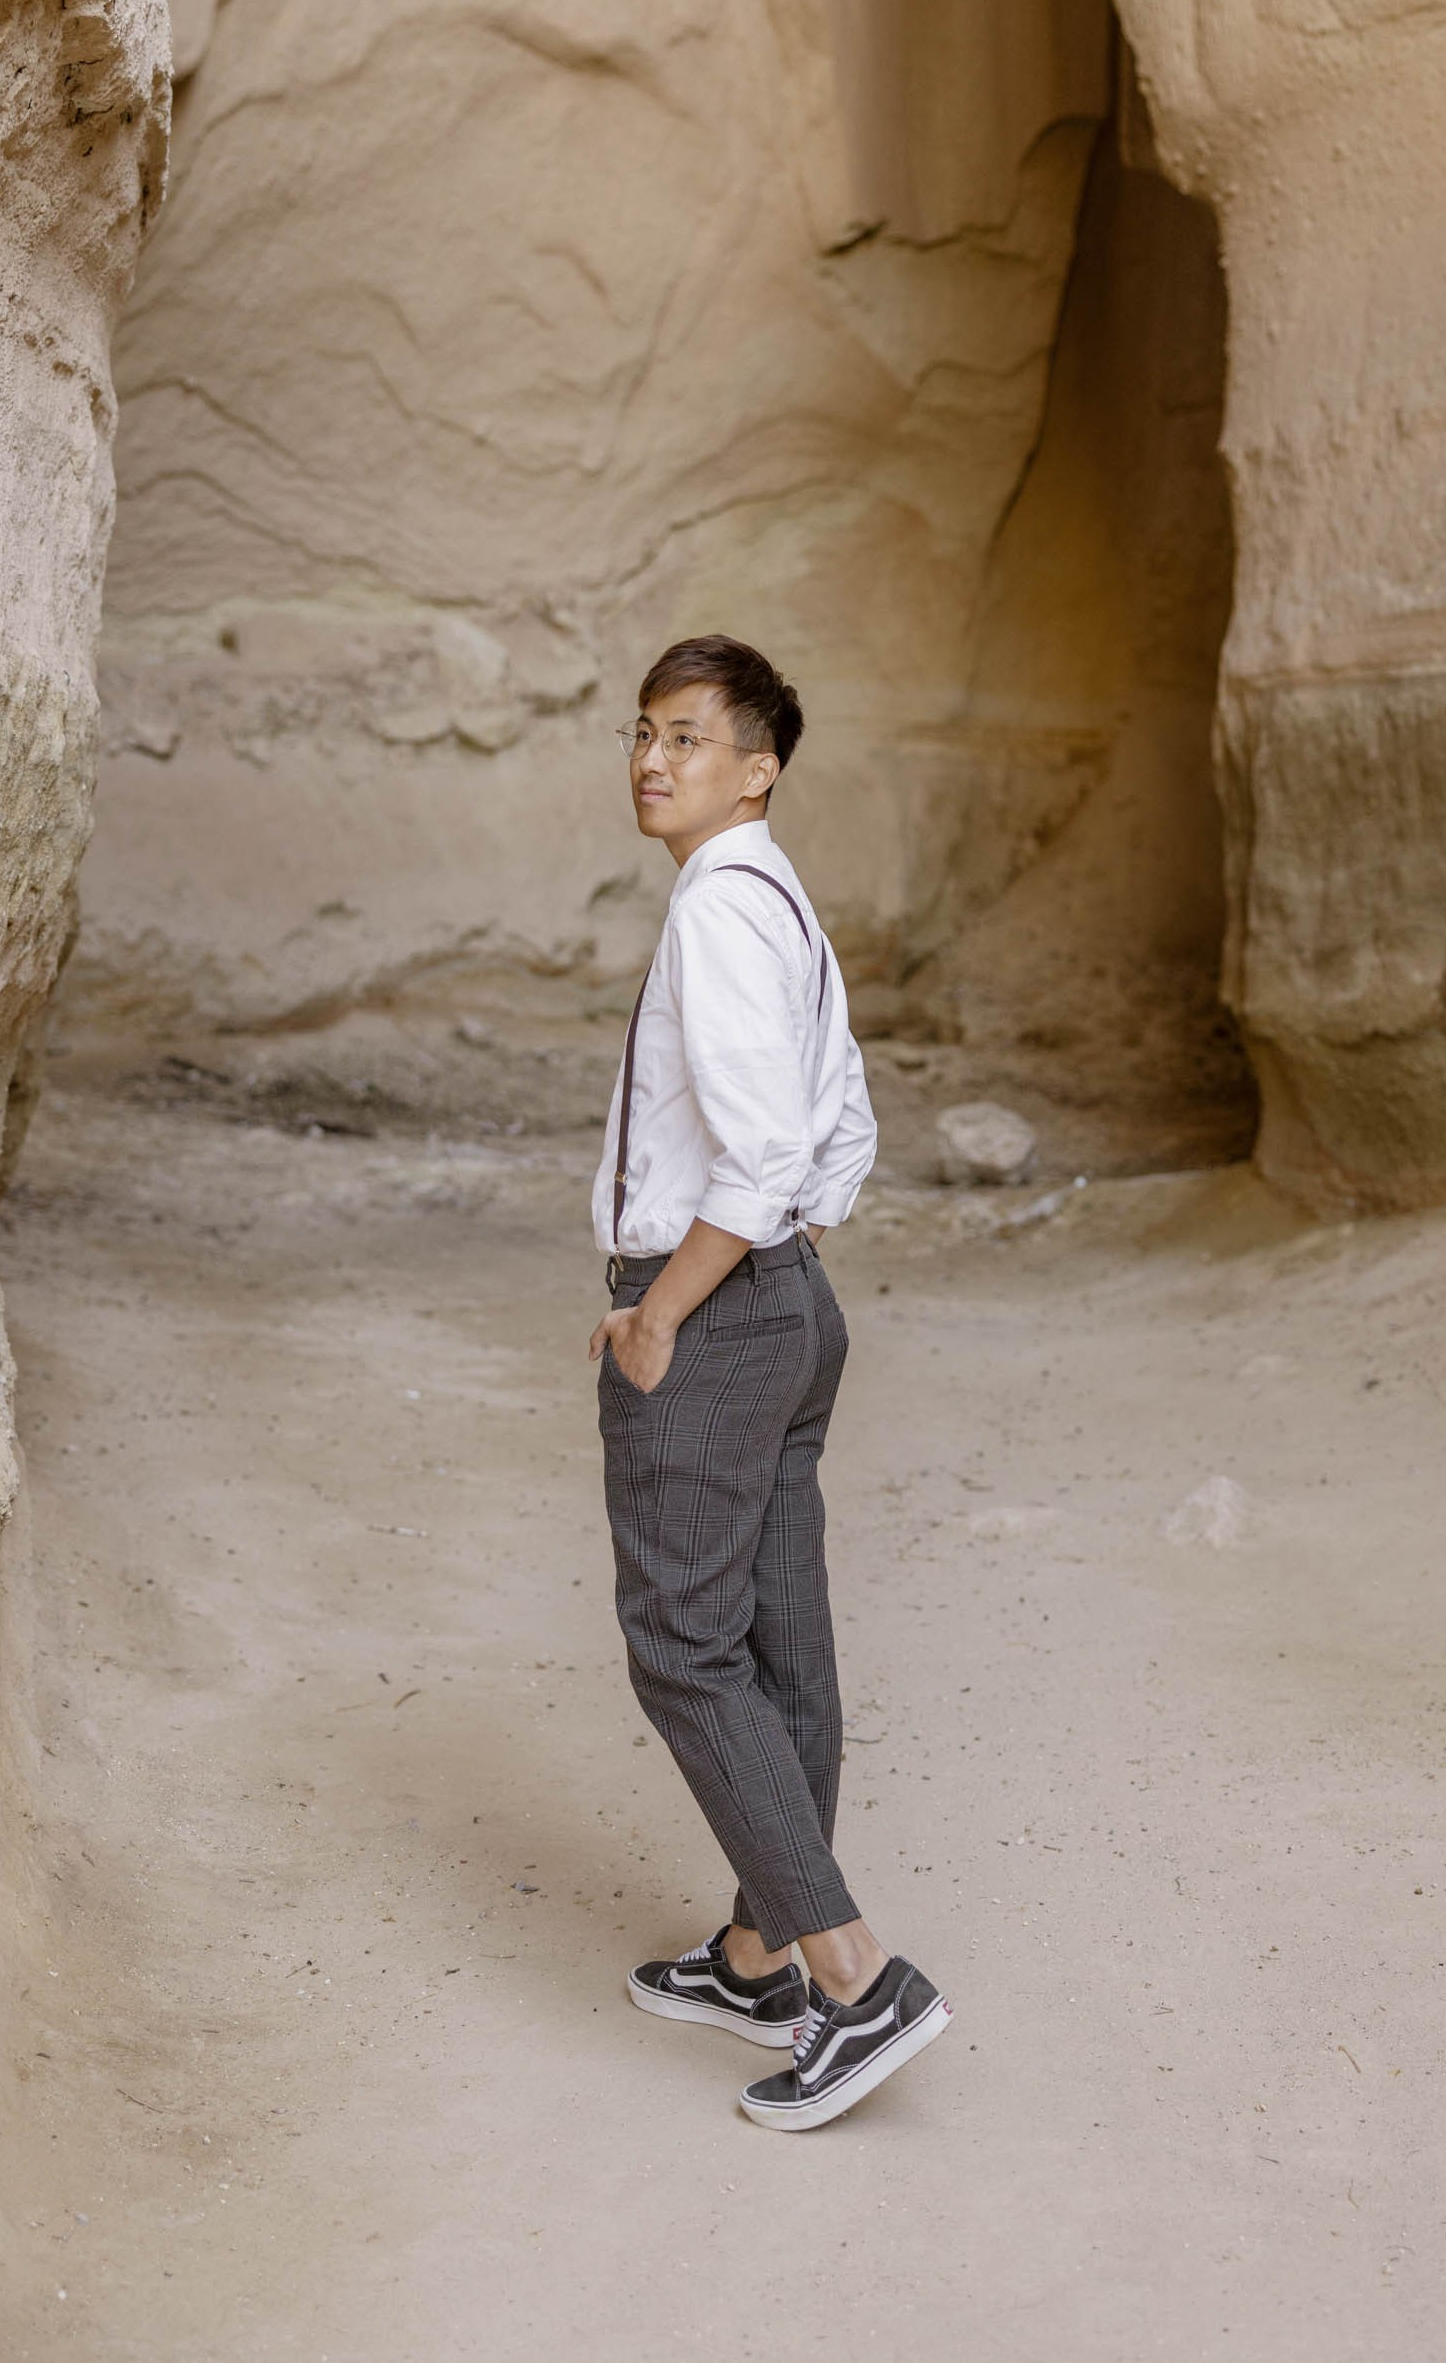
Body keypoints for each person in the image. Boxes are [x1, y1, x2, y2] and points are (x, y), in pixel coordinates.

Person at [588, 634, 951, 2132]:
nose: (652, 758)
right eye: (642, 731)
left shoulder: (715, 912)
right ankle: (753, 1957)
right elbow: (840, 1122)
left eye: (688, 737)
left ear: (757, 767)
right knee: (777, 1646)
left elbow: (759, 1154)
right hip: (790, 1302)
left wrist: (663, 1310)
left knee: (683, 1647)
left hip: (721, 1311)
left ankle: (852, 1979)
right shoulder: (776, 896)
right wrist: (779, 1266)